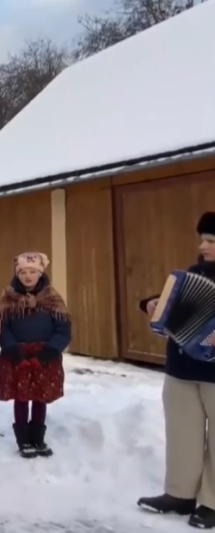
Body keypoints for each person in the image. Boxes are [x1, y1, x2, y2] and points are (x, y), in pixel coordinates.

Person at [136, 212, 215, 529]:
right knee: (182, 435)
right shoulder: (193, 274)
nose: (202, 246)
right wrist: (153, 303)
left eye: (210, 241)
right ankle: (180, 495)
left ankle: (212, 501)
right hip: (181, 369)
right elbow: (170, 305)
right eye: (203, 240)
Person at [0, 252, 70, 459]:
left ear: (40, 273)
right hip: (17, 356)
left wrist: (46, 355)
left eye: (32, 272)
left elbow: (63, 329)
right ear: (17, 274)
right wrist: (15, 354)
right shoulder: (8, 298)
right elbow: (2, 328)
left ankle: (38, 438)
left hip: (45, 356)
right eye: (23, 272)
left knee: (40, 397)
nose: (28, 276)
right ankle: (23, 440)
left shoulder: (52, 298)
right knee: (21, 398)